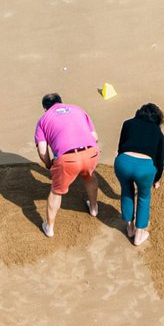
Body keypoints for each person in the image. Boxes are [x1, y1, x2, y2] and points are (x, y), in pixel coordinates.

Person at [33, 93, 100, 238]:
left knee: (56, 191)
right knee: (89, 176)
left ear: (45, 108)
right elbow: (95, 137)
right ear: (61, 102)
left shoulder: (43, 119)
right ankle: (94, 208)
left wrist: (48, 164)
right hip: (91, 153)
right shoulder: (78, 109)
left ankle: (49, 228)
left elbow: (43, 149)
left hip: (68, 159)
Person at [114, 103, 164, 247]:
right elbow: (160, 160)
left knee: (126, 192)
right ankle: (139, 235)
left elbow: (120, 147)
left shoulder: (128, 124)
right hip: (144, 168)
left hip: (123, 162)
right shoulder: (158, 133)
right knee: (144, 197)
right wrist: (156, 179)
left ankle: (129, 228)